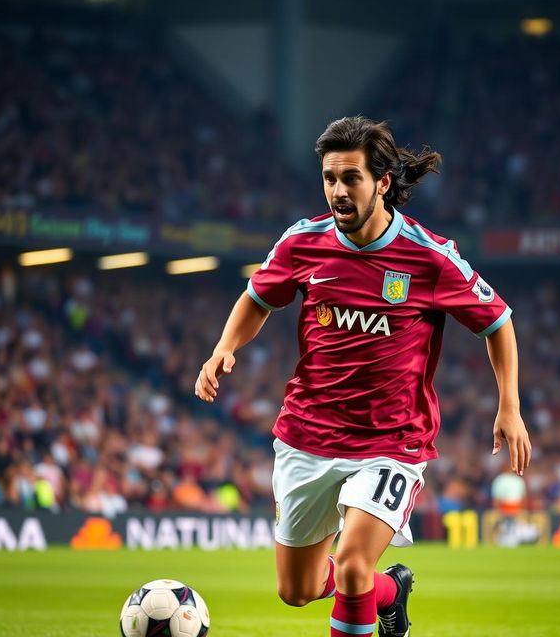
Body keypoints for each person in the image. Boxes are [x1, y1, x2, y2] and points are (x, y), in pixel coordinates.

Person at [195, 116, 532, 637]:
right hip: (307, 435)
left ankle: (370, 588)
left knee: (352, 568)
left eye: (350, 178)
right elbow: (257, 299)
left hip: (391, 440)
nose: (337, 190)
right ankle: (392, 590)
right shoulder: (302, 242)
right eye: (329, 177)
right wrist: (223, 348)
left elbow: (499, 322)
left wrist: (508, 404)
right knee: (297, 590)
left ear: (382, 183)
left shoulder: (429, 256)